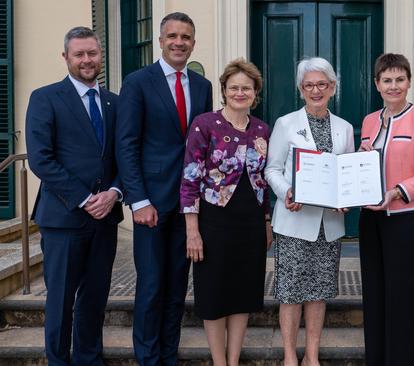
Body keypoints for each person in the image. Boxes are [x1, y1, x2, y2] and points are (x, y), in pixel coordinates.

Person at [116, 12, 213, 366]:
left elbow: (200, 148)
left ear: (192, 42)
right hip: (151, 205)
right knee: (152, 286)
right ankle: (147, 358)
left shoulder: (202, 86)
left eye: (185, 37)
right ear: (160, 40)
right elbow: (126, 144)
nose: (178, 42)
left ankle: (168, 355)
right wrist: (138, 199)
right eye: (172, 35)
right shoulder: (138, 82)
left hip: (188, 205)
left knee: (176, 287)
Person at [25, 26, 123, 365]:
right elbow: (41, 158)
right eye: (79, 54)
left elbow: (126, 155)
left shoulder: (114, 102)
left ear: (100, 56)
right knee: (61, 300)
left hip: (106, 217)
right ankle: (58, 360)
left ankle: (89, 359)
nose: (86, 60)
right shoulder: (45, 97)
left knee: (95, 298)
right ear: (66, 57)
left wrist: (114, 192)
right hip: (63, 218)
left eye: (92, 53)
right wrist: (84, 198)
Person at [180, 58, 272, 366]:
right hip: (214, 222)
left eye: (246, 87)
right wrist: (192, 230)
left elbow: (266, 181)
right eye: (234, 87)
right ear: (224, 90)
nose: (240, 93)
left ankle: (233, 361)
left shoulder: (263, 129)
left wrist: (267, 222)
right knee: (214, 293)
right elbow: (190, 178)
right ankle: (219, 362)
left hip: (251, 224)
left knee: (243, 292)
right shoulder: (204, 124)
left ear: (255, 92)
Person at [264, 57, 354, 366]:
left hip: (329, 224)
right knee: (290, 292)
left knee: (319, 292)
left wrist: (347, 196)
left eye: (322, 85)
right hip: (294, 222)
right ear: (301, 89)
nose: (316, 90)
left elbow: (347, 175)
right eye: (309, 85)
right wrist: (286, 192)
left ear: (332, 87)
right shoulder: (286, 124)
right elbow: (272, 170)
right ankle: (290, 355)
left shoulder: (344, 128)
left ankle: (312, 354)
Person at [358, 53, 414, 365]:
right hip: (371, 220)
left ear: (408, 82)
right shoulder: (369, 121)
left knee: (401, 297)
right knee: (374, 295)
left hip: (406, 221)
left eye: (400, 80)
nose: (394, 86)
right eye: (387, 80)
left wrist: (396, 192)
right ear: (377, 84)